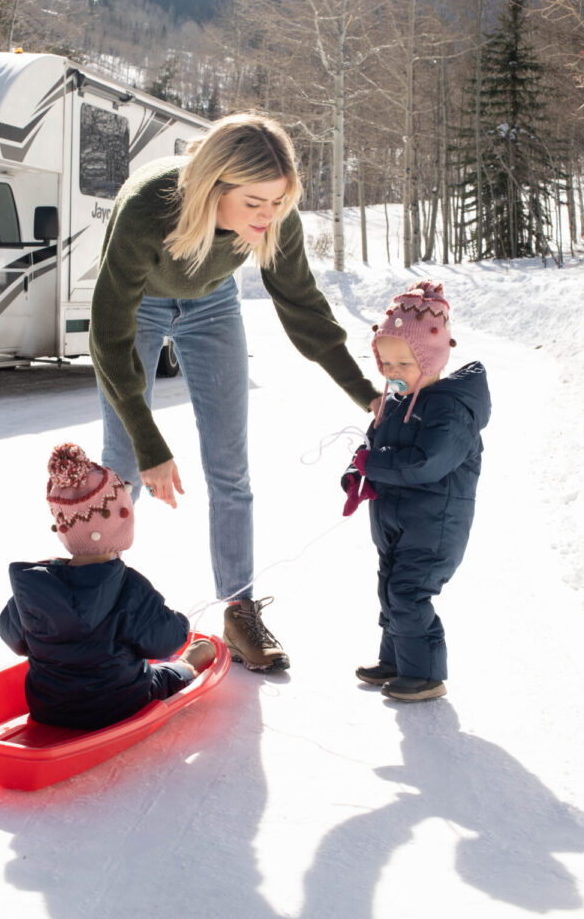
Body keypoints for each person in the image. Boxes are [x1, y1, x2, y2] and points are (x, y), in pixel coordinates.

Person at [89, 112, 380, 672]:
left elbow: (303, 307)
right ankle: (94, 611)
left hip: (213, 304)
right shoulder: (149, 209)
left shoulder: (275, 216)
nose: (268, 216)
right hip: (140, 305)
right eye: (254, 204)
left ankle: (239, 611)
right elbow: (108, 337)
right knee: (124, 465)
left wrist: (363, 392)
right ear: (213, 186)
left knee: (230, 468)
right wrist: (150, 444)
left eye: (278, 202)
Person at [341, 279, 490, 702]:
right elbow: (372, 446)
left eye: (403, 365)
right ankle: (397, 660)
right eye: (385, 364)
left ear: (430, 359)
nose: (392, 373)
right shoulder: (393, 400)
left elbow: (427, 464)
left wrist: (377, 466)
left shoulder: (450, 409)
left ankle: (425, 674)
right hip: (394, 518)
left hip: (435, 523)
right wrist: (357, 472)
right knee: (390, 587)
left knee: (409, 592)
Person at [0, 442, 216, 731]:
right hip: (121, 705)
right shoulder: (129, 587)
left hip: (48, 708)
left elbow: (12, 637)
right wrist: (179, 622)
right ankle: (188, 666)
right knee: (166, 674)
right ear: (122, 519)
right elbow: (165, 641)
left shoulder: (36, 587)